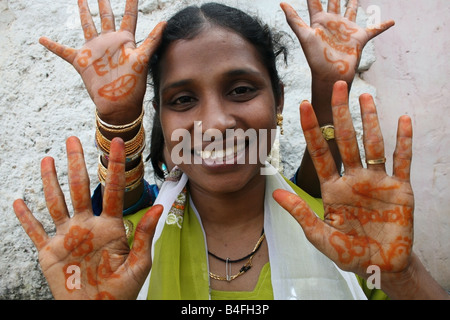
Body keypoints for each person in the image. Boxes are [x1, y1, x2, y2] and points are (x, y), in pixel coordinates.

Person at [12, 0, 449, 300]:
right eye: (182, 100)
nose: (216, 122)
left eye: (241, 90)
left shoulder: (348, 234)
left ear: (277, 100)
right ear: (161, 118)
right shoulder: (119, 249)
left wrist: (400, 275)